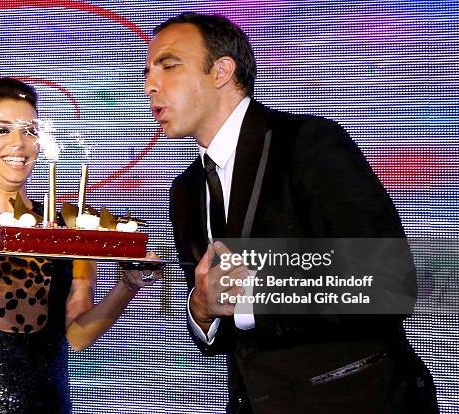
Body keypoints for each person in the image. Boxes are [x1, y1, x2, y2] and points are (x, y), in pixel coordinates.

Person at [144, 12, 438, 414]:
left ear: (222, 71)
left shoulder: (307, 144)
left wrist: (252, 296)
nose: (149, 86)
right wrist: (200, 308)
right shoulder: (186, 189)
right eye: (147, 72)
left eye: (169, 66)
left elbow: (388, 282)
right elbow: (220, 320)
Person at [0, 77, 161, 413]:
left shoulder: (69, 228)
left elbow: (78, 335)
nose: (18, 142)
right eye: (1, 130)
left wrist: (127, 286)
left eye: (28, 130)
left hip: (45, 402)